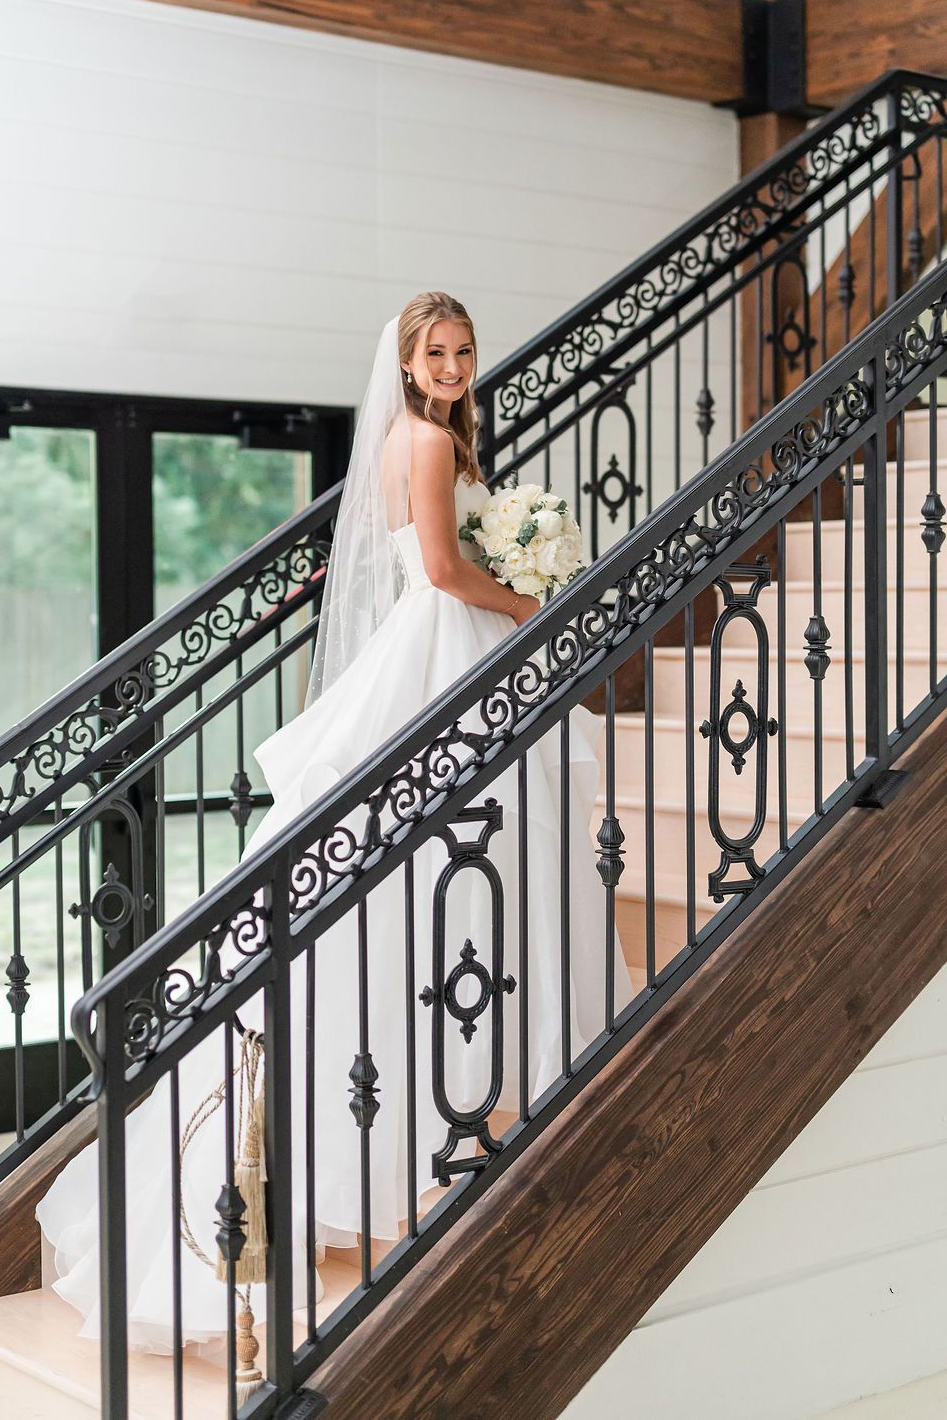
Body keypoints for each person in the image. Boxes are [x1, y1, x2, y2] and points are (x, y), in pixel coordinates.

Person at [35, 290, 633, 1354]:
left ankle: (431, 1110)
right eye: (433, 352)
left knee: (444, 863)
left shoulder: (427, 439)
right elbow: (445, 571)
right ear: (405, 365)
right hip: (446, 636)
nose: (451, 366)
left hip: (436, 640)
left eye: (461, 351)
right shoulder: (428, 443)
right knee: (453, 851)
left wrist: (507, 574)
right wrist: (532, 602)